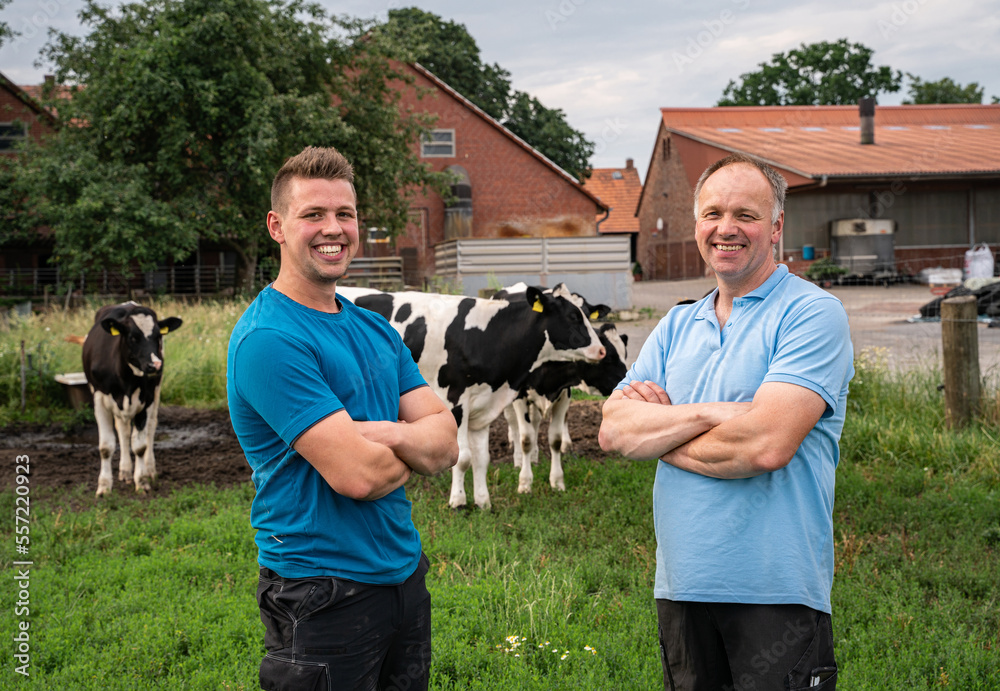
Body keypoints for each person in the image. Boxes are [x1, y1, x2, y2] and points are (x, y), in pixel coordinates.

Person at [599, 153, 854, 691]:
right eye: (712, 213)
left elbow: (765, 446)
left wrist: (664, 432)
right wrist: (716, 415)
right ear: (697, 225)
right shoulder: (677, 323)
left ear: (777, 225)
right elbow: (615, 431)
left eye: (746, 214)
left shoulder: (812, 314)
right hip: (682, 586)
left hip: (776, 592)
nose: (726, 228)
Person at [227, 146, 459, 690]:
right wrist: (409, 445)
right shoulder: (270, 339)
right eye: (313, 215)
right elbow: (361, 476)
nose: (333, 229)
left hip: (403, 577)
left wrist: (379, 434)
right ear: (276, 226)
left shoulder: (374, 329)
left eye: (345, 214)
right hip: (319, 591)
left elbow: (447, 445)